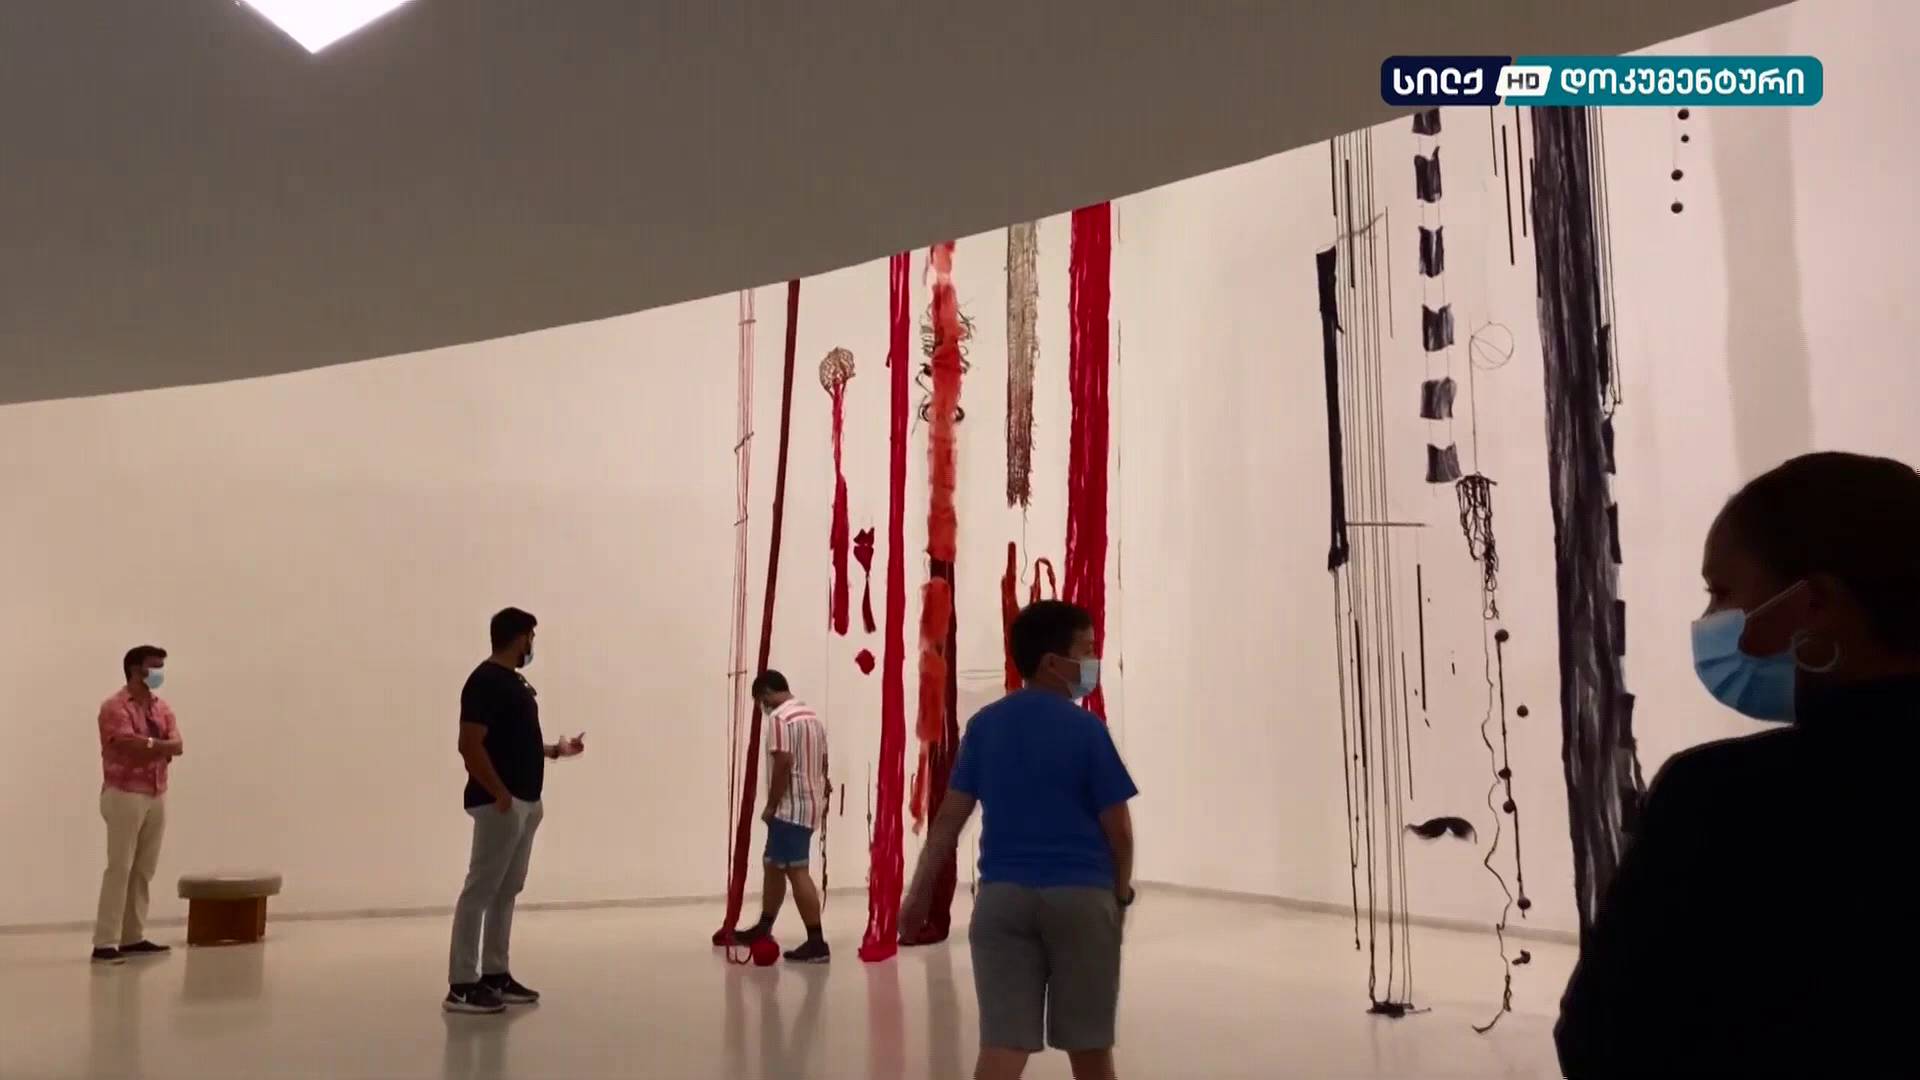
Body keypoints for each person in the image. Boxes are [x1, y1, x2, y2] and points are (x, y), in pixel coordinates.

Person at [1556, 452, 1920, 1077]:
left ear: (1815, 604)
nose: (1708, 623)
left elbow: (1604, 1041)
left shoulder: (1720, 799)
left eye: (1721, 593)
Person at [902, 600, 1138, 1080]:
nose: (1093, 662)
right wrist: (1120, 891)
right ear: (1052, 662)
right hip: (1080, 901)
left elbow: (949, 820)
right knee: (1090, 1050)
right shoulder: (1087, 730)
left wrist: (918, 894)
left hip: (1002, 902)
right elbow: (1120, 829)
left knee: (1002, 1047)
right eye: (1087, 651)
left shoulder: (985, 726)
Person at [444, 607, 585, 1014]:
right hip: (500, 805)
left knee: (506, 889)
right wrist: (500, 794)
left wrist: (555, 751)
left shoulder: (515, 683)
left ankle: (495, 973)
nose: (532, 645)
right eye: (531, 637)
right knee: (480, 890)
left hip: (525, 802)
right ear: (520, 637)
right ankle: (462, 984)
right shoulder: (484, 681)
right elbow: (469, 744)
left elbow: (516, 742)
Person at [92, 645, 184, 965]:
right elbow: (126, 744)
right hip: (124, 793)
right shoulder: (114, 707)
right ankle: (105, 941)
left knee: (144, 868)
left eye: (161, 666)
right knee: (120, 867)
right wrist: (158, 745)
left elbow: (178, 745)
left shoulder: (162, 708)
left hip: (157, 793)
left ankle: (132, 936)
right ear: (135, 669)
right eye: (153, 666)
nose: (159, 672)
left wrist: (152, 745)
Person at [731, 670, 832, 964]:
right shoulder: (811, 717)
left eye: (759, 701)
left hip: (790, 808)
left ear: (765, 693)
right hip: (810, 803)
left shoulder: (780, 718)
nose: (761, 707)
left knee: (796, 870)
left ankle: (816, 942)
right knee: (772, 864)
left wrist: (772, 805)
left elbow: (784, 763)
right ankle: (764, 927)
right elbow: (822, 762)